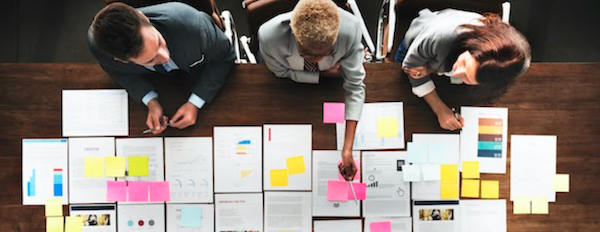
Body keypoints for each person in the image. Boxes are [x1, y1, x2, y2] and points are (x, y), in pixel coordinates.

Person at [88, 2, 235, 134]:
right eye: (151, 60)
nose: (165, 57)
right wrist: (150, 101)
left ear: (143, 18)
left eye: (159, 42)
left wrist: (195, 102)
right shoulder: (100, 50)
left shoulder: (193, 26)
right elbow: (116, 71)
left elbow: (225, 56)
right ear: (122, 60)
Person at [258, 0, 366, 180]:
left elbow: (355, 86)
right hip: (287, 94)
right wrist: (322, 75)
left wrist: (347, 149)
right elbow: (280, 72)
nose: (317, 61)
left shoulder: (351, 29)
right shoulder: (269, 37)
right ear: (295, 34)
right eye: (308, 55)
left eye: (324, 54)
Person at [395, 8, 531, 131]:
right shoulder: (440, 36)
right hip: (416, 41)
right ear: (471, 47)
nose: (457, 73)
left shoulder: (516, 64)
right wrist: (440, 110)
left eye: (467, 78)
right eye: (464, 63)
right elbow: (410, 67)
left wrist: (431, 70)